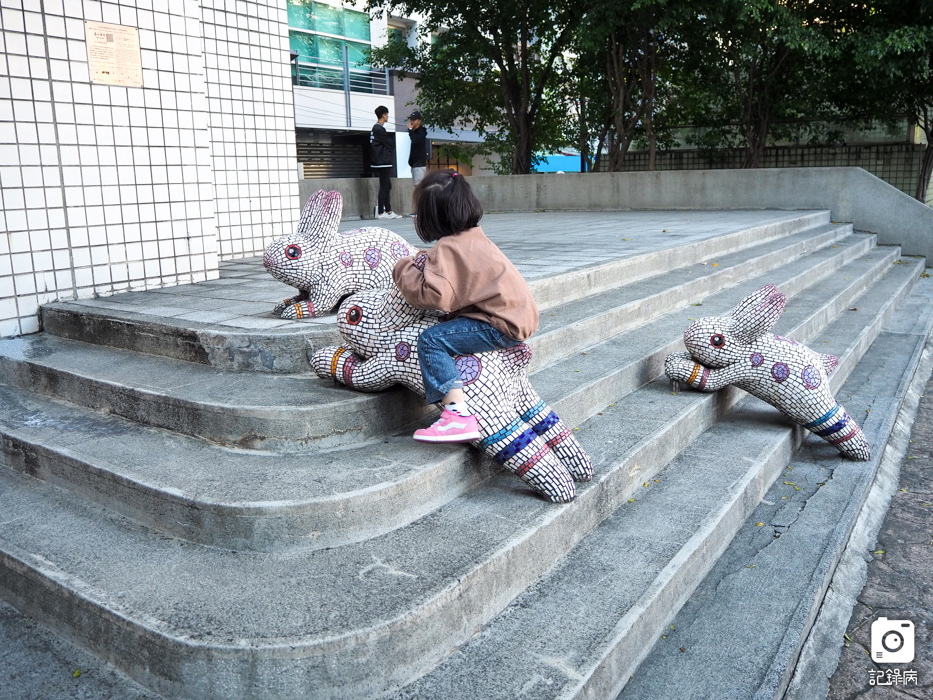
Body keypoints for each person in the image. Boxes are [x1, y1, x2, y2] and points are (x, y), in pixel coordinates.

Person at [393, 170, 539, 443]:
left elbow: (435, 296)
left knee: (432, 341)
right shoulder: (475, 237)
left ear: (431, 216)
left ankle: (457, 416)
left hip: (499, 324)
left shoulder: (448, 247)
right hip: (517, 316)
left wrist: (405, 267)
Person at [371, 105, 401, 219]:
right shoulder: (379, 129)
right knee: (384, 186)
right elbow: (390, 144)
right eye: (387, 114)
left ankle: (388, 210)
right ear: (383, 115)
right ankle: (381, 212)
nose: (388, 116)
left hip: (381, 161)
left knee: (387, 185)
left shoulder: (376, 129)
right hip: (382, 161)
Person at [407, 110, 428, 187]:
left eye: (414, 120)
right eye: (411, 120)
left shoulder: (421, 132)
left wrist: (410, 130)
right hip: (415, 164)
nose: (411, 122)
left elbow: (415, 140)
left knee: (419, 186)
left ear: (419, 121)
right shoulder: (415, 132)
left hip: (419, 165)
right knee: (417, 186)